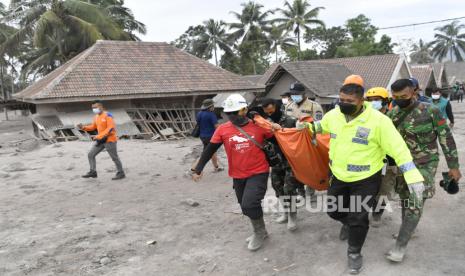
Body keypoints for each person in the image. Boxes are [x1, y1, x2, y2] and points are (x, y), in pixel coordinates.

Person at [298, 75, 425, 274]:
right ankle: (350, 223)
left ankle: (354, 252)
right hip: (338, 175)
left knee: (359, 216)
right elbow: (320, 127)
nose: (344, 104)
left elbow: (399, 149)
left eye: (350, 101)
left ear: (361, 101)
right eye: (341, 100)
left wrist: (413, 176)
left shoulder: (379, 121)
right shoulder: (334, 115)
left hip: (366, 179)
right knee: (334, 211)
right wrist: (306, 127)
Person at [192, 94, 280, 251]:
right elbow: (210, 150)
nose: (232, 116)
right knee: (244, 206)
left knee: (250, 203)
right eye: (229, 113)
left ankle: (259, 233)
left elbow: (278, 140)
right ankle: (262, 230)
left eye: (236, 112)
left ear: (244, 109)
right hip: (237, 174)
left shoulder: (259, 125)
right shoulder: (223, 130)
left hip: (258, 171)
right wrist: (198, 169)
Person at [386, 79, 461, 262]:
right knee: (405, 197)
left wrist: (453, 166)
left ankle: (400, 247)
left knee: (416, 200)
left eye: (403, 96)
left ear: (414, 92)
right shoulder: (393, 114)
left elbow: (446, 138)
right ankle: (408, 230)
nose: (399, 100)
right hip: (403, 164)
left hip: (426, 163)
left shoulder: (431, 111)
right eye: (395, 97)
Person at [260, 97, 303, 231]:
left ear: (277, 108)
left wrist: (281, 131)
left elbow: (298, 139)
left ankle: (292, 216)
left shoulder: (290, 121)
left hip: (290, 161)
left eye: (271, 111)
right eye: (267, 113)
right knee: (277, 187)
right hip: (276, 161)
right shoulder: (266, 122)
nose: (269, 114)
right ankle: (285, 212)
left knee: (289, 189)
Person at [285, 82, 324, 200]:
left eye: (297, 94)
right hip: (294, 141)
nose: (294, 96)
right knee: (297, 165)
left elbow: (320, 125)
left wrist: (308, 126)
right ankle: (300, 190)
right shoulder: (289, 106)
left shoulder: (314, 106)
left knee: (310, 165)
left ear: (304, 93)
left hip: (309, 140)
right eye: (292, 94)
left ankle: (310, 191)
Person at [364, 87, 396, 226]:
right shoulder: (364, 117)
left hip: (388, 162)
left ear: (385, 101)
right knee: (365, 190)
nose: (373, 103)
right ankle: (361, 214)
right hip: (368, 160)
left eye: (376, 100)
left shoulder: (394, 117)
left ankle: (377, 214)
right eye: (370, 100)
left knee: (384, 189)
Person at [78, 100, 125, 180]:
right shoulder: (96, 117)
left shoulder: (108, 115)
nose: (94, 109)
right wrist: (83, 127)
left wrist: (99, 136)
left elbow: (110, 128)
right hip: (101, 140)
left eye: (95, 107)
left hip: (110, 140)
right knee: (90, 154)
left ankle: (121, 173)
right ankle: (93, 172)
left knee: (114, 157)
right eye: (93, 108)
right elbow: (93, 127)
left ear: (101, 107)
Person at [190, 99, 223, 172]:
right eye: (213, 105)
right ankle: (194, 168)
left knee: (212, 151)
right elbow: (217, 127)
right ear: (210, 107)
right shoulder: (211, 115)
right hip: (211, 137)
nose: (213, 107)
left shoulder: (199, 114)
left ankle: (216, 167)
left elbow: (199, 124)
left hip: (202, 136)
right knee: (206, 153)